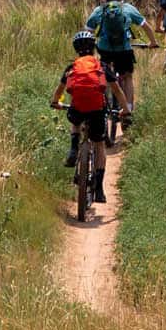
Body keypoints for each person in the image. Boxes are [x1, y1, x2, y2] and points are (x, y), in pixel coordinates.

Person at [84, 0, 157, 126]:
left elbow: (88, 32)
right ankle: (128, 110)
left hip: (105, 50)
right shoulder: (128, 9)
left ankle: (105, 104)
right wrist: (153, 42)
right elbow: (146, 26)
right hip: (124, 50)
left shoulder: (99, 10)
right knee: (127, 77)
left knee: (105, 76)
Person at [52, 29, 112, 202]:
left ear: (76, 49)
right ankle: (99, 189)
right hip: (97, 110)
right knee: (99, 145)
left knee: (75, 118)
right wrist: (125, 110)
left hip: (78, 110)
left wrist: (55, 102)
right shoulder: (101, 66)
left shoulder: (72, 67)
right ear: (94, 47)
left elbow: (60, 90)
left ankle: (73, 147)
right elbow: (117, 91)